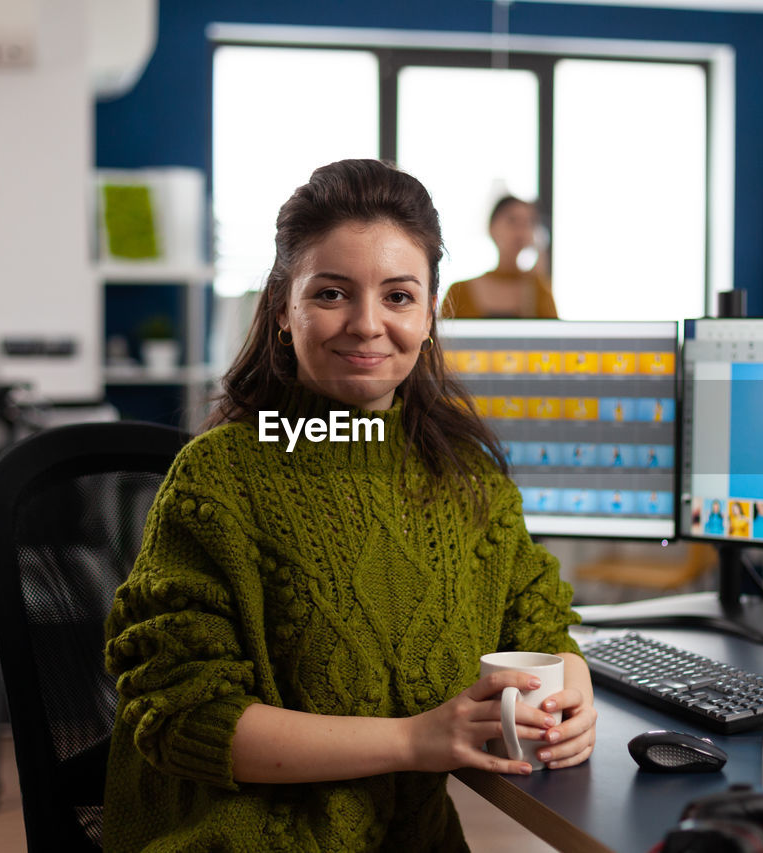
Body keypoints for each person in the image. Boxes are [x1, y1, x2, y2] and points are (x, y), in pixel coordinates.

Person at [102, 160, 595, 852]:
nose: (367, 324)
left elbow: (538, 617)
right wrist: (415, 739)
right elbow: (184, 715)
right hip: (236, 836)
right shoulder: (219, 478)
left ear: (429, 314)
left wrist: (574, 684)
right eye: (332, 293)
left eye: (398, 296)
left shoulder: (461, 474)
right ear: (283, 307)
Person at [440, 195, 557, 319]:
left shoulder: (539, 290)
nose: (520, 231)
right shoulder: (459, 291)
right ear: (492, 227)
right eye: (512, 221)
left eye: (528, 223)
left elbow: (553, 335)